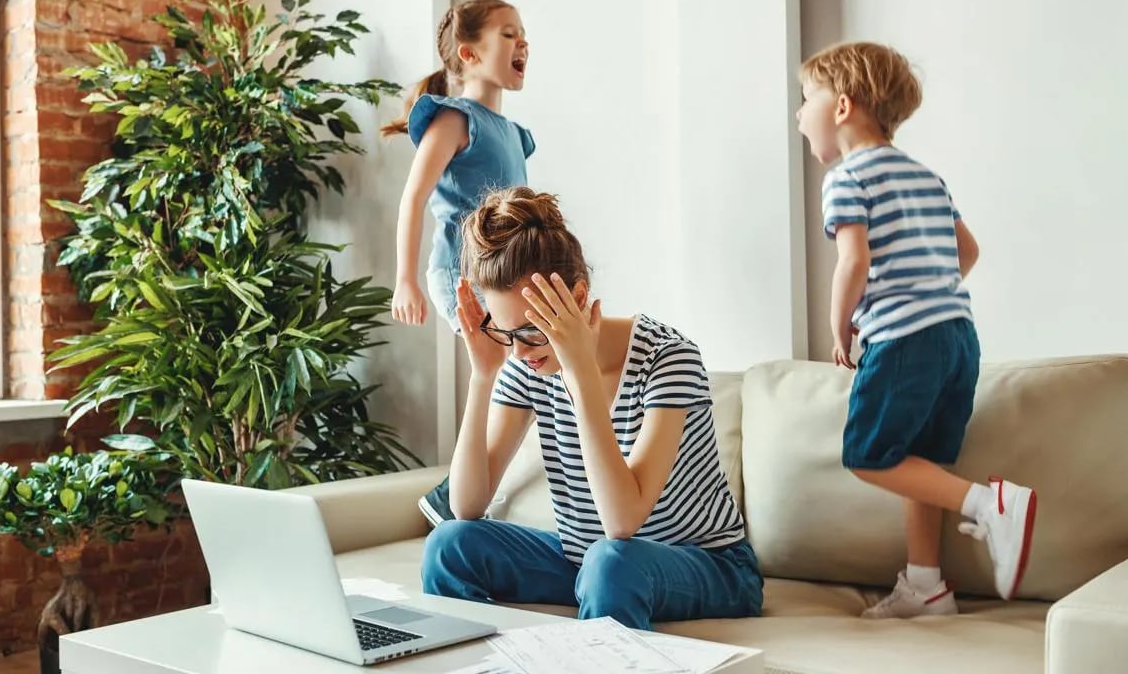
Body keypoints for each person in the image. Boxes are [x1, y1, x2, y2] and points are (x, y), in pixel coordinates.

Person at [420, 186, 764, 631]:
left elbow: (622, 521)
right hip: (590, 559)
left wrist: (580, 370)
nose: (519, 354)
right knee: (449, 545)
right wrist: (482, 375)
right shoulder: (528, 363)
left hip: (712, 566)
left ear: (577, 299)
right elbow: (466, 506)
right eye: (507, 334)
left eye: (530, 331)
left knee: (611, 562)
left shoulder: (667, 358)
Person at [795, 41, 1037, 618]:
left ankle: (989, 505)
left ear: (843, 105)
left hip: (903, 340)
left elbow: (853, 261)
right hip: (958, 335)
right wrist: (932, 293)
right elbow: (968, 250)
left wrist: (842, 326)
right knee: (919, 459)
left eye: (806, 100)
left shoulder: (847, 177)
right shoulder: (926, 176)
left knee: (868, 454)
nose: (799, 114)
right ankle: (927, 585)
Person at [382, 0, 534, 331]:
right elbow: (414, 197)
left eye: (522, 34)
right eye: (509, 34)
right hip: (466, 275)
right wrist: (405, 279)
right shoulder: (455, 119)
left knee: (523, 367)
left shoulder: (512, 134)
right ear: (469, 54)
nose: (523, 41)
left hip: (506, 272)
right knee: (499, 364)